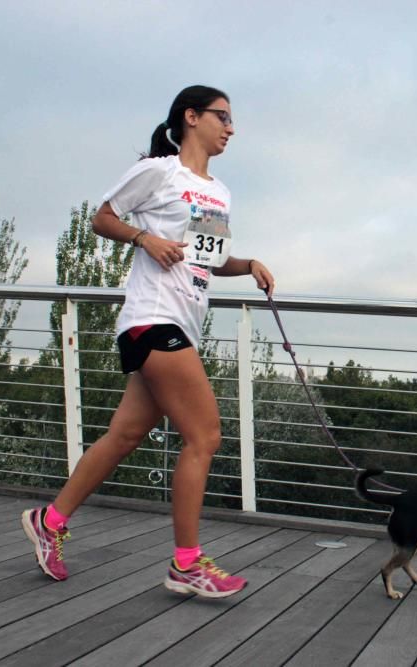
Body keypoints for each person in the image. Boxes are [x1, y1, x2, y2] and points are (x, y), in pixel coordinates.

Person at [21, 85, 273, 599]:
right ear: (191, 117)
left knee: (125, 435)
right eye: (222, 117)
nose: (231, 127)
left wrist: (247, 266)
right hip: (153, 320)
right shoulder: (160, 171)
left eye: (232, 120)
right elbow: (103, 217)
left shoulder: (219, 192)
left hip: (182, 324)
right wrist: (144, 238)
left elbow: (208, 257)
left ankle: (49, 520)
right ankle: (186, 564)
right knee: (204, 437)